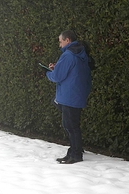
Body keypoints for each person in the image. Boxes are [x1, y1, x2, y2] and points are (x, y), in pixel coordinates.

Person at [45, 30, 92, 164]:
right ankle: (74, 151)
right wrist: (57, 67)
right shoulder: (81, 54)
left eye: (60, 41)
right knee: (72, 125)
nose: (60, 45)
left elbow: (57, 77)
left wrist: (48, 72)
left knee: (70, 126)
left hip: (69, 96)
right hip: (77, 95)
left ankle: (75, 154)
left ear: (68, 40)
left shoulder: (68, 55)